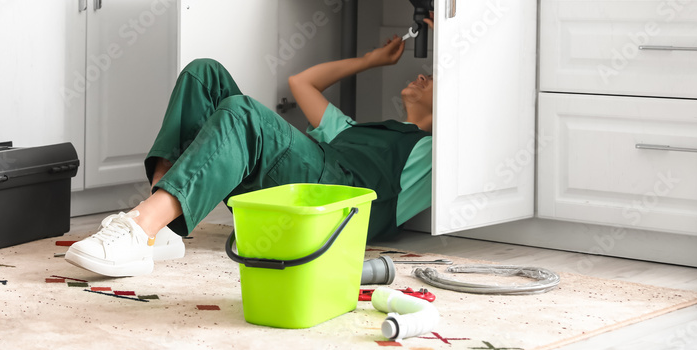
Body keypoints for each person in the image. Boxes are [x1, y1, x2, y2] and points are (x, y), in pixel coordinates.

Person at [65, 14, 435, 278]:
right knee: (203, 72)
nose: (421, 75)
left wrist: (456, 30)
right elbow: (301, 83)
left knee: (243, 113)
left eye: (432, 78)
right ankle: (159, 228)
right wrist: (371, 60)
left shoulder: (433, 154)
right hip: (313, 168)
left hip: (335, 198)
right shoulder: (357, 128)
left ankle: (140, 227)